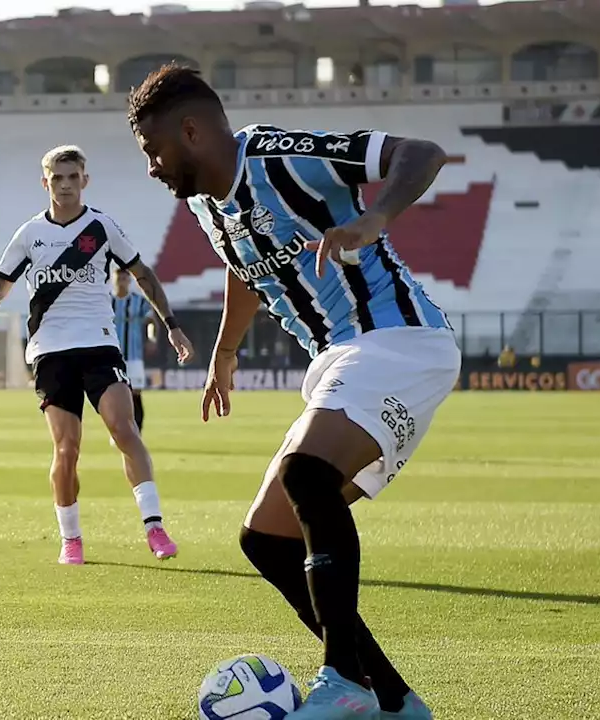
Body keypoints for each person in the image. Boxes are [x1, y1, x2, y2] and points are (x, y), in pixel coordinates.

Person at [127, 64, 458, 720]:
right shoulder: (203, 203)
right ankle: (394, 701)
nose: (152, 167)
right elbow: (246, 266)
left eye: (154, 150)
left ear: (191, 132)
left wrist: (375, 220)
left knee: (306, 474)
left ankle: (345, 682)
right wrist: (225, 351)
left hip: (396, 337)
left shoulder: (279, 156)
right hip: (339, 357)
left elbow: (423, 154)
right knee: (267, 539)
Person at [0, 144, 193, 566]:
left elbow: (143, 275)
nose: (64, 185)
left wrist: (172, 325)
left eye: (72, 177)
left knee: (124, 429)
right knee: (67, 448)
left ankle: (154, 527)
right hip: (50, 353)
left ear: (84, 181)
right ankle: (71, 539)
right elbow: (0, 283)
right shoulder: (29, 235)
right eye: (56, 178)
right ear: (45, 182)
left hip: (98, 344)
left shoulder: (101, 227)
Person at [111, 267, 154, 433]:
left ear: (129, 281)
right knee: (114, 395)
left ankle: (137, 431)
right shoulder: (106, 302)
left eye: (124, 278)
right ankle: (117, 431)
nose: (122, 282)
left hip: (134, 355)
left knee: (135, 393)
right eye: (118, 279)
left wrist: (152, 338)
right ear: (113, 281)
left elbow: (151, 320)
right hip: (112, 357)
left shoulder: (139, 301)